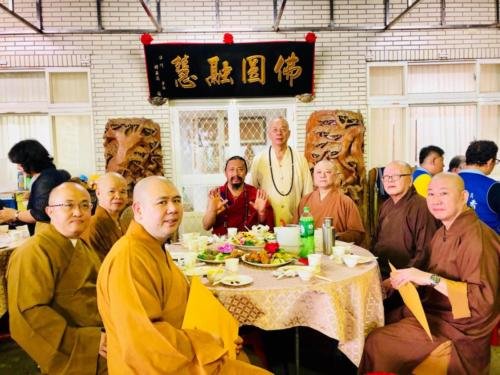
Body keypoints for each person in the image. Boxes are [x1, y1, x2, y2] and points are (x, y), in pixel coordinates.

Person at [96, 176, 270, 374]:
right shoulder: (129, 258)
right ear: (138, 210)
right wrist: (208, 343)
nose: (173, 208)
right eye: (162, 202)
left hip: (180, 350)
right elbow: (145, 343)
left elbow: (184, 305)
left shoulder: (152, 247)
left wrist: (221, 332)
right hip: (160, 365)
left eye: (177, 200)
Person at [359, 173, 499, 375]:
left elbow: (481, 303)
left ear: (464, 196)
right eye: (431, 194)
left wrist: (425, 278)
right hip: (436, 309)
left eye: (443, 193)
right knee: (380, 318)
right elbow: (429, 270)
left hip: (459, 325)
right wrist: (401, 281)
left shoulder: (477, 238)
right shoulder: (444, 230)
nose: (435, 200)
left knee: (377, 342)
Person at [7, 182, 106, 374]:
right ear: (50, 211)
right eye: (68, 205)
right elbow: (30, 314)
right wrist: (92, 340)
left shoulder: (79, 244)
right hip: (74, 351)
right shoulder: (33, 252)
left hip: (101, 339)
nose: (78, 212)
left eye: (85, 205)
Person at [371, 161, 440, 315]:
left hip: (407, 279)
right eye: (386, 177)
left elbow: (425, 251)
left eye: (395, 176)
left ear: (410, 180)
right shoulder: (386, 205)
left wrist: (397, 278)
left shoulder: (421, 207)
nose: (389, 180)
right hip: (382, 273)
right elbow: (375, 239)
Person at [250, 117, 313, 226]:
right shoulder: (259, 159)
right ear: (269, 134)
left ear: (289, 134)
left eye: (283, 129)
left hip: (295, 222)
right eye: (275, 130)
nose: (279, 133)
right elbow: (252, 191)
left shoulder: (300, 159)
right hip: (267, 224)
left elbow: (308, 193)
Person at [0, 139, 70, 234]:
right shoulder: (54, 174)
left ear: (29, 162)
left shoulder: (46, 179)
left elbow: (40, 215)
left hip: (50, 236)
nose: (18, 168)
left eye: (19, 164)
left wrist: (14, 214)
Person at [293, 159, 365, 245]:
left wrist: (335, 237)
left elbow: (357, 233)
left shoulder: (345, 201)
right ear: (313, 176)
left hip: (335, 251)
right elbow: (295, 228)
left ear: (335, 176)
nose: (322, 175)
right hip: (309, 250)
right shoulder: (305, 200)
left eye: (327, 172)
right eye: (318, 172)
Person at [202, 156, 274, 235]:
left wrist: (261, 212)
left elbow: (266, 228)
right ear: (225, 173)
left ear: (246, 172)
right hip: (221, 243)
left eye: (240, 169)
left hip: (248, 243)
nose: (236, 174)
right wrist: (212, 211)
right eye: (231, 170)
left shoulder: (256, 194)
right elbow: (206, 226)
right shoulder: (217, 194)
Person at [83, 172, 129, 260]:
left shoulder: (122, 222)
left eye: (123, 191)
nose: (118, 196)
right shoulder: (92, 226)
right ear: (98, 193)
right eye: (112, 191)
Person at [459, 140, 499, 234]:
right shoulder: (493, 187)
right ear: (489, 162)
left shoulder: (449, 181)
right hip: (488, 244)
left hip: (454, 242)